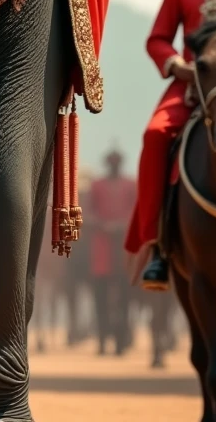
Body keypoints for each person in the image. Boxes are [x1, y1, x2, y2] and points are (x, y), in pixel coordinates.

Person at [125, 0, 216, 289]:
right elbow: (157, 40)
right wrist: (176, 66)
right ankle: (158, 247)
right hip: (191, 87)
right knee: (154, 136)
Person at [89, 150, 137, 354]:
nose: (114, 166)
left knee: (126, 298)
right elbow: (88, 211)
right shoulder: (96, 185)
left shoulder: (130, 185)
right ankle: (101, 338)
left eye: (116, 163)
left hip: (124, 246)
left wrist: (121, 225)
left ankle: (121, 338)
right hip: (102, 246)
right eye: (111, 162)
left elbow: (136, 209)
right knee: (100, 297)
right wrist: (102, 224)